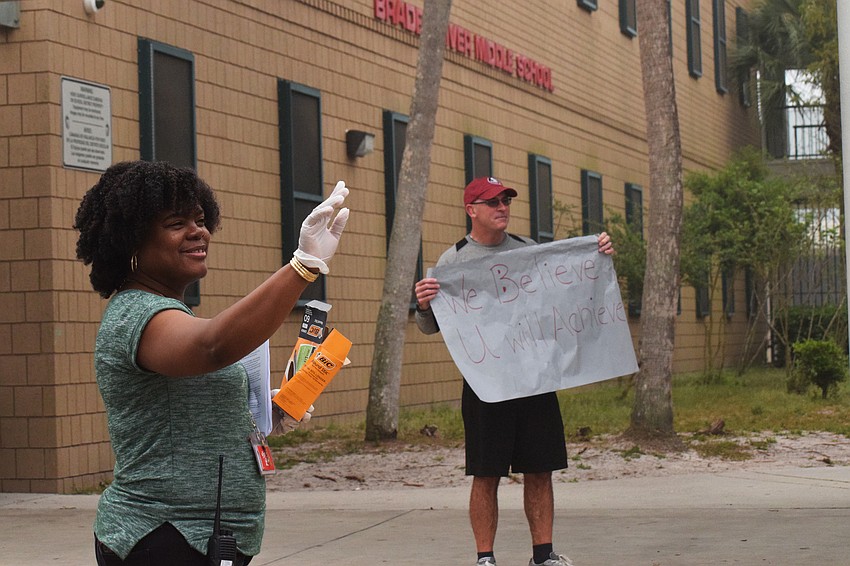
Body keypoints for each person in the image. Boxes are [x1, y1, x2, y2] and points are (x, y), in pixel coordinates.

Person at [73, 160, 350, 566]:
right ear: (132, 241)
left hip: (204, 537)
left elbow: (190, 402)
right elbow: (212, 347)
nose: (197, 231)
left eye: (200, 219)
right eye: (175, 222)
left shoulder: (171, 311)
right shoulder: (135, 314)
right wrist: (301, 267)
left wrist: (267, 410)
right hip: (160, 536)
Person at [414, 176, 614, 566]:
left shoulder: (529, 252)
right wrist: (423, 305)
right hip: (485, 384)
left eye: (505, 200)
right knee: (486, 474)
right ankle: (485, 558)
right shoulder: (452, 263)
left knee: (540, 468)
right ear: (471, 210)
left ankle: (543, 555)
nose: (502, 207)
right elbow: (431, 326)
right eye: (492, 202)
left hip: (534, 379)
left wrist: (599, 252)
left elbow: (568, 292)